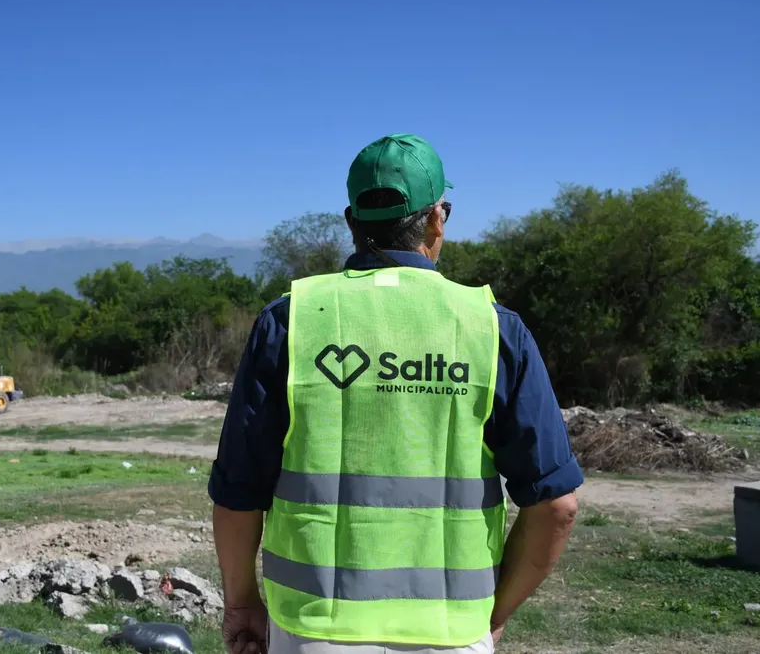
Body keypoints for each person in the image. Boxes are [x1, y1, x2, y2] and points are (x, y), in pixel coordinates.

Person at [209, 133, 583, 654]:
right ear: (437, 218)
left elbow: (237, 493)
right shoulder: (493, 329)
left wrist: (243, 603)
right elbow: (556, 506)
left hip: (313, 630)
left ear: (351, 221)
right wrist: (490, 618)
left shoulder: (292, 320)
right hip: (451, 634)